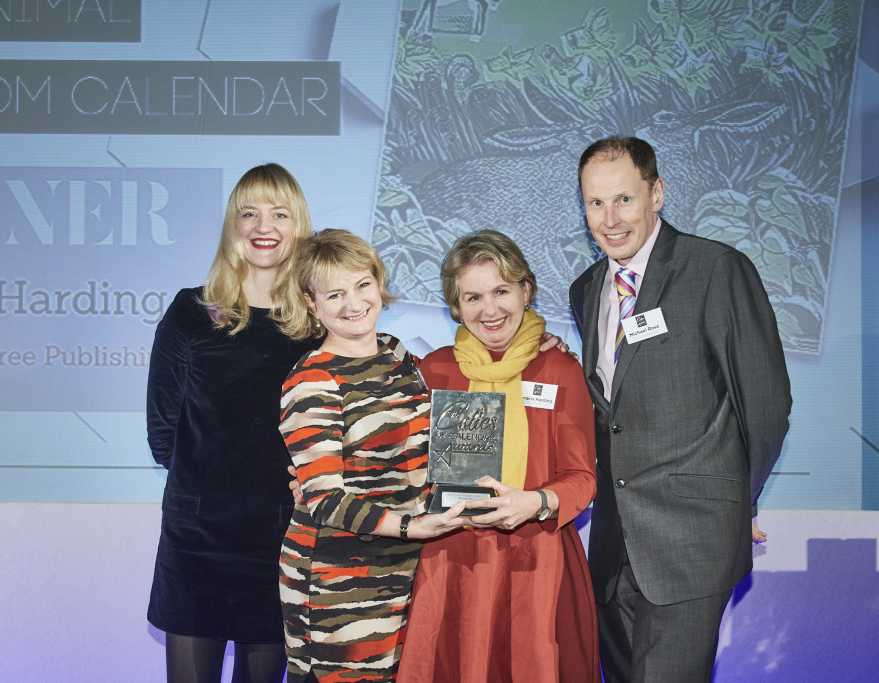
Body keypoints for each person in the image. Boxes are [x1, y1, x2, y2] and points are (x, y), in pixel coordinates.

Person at [568, 136, 792, 682]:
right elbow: (611, 409)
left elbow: (765, 406)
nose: (610, 219)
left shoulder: (716, 269)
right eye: (596, 203)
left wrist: (738, 501)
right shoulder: (587, 288)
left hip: (693, 539)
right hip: (614, 549)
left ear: (657, 193)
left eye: (624, 199)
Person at [397, 230, 600, 683]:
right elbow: (401, 466)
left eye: (501, 291)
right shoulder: (434, 370)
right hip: (449, 557)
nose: (489, 310)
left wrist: (537, 501)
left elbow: (582, 477)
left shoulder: (560, 368)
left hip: (535, 558)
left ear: (525, 291)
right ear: (455, 305)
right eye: (473, 296)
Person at [145, 163, 317, 683]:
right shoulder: (190, 313)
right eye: (250, 213)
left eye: (279, 213)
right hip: (198, 542)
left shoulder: (316, 325)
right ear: (232, 225)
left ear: (298, 226)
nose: (264, 226)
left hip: (282, 539)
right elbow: (162, 436)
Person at [276, 229, 470, 683]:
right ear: (311, 302)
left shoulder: (396, 353)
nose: (354, 302)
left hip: (402, 569)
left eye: (363, 284)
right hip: (336, 578)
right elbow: (324, 500)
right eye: (335, 293)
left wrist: (540, 346)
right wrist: (412, 527)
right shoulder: (311, 381)